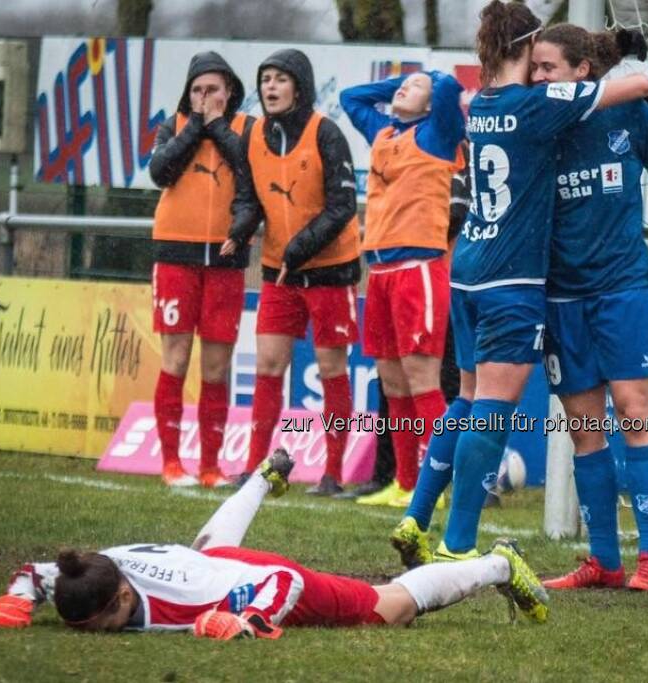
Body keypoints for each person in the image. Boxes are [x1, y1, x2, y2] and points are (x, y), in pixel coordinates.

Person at [390, 0, 648, 567]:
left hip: (467, 268)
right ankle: (458, 543)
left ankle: (416, 516)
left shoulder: (481, 104)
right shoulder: (537, 105)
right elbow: (635, 87)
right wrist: (632, 61)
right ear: (526, 47)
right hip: (510, 278)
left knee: (466, 400)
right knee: (493, 409)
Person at [528, 25, 648, 592]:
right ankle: (604, 560)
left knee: (636, 413)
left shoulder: (630, 115)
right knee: (585, 431)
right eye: (533, 67)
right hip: (561, 297)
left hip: (621, 288)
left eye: (547, 67)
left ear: (582, 71)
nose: (537, 76)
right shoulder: (538, 122)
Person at [0, 449, 549, 636]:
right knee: (207, 551)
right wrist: (18, 594)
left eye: (99, 627)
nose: (96, 636)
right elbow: (39, 572)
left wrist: (250, 621)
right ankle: (262, 477)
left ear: (124, 597)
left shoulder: (189, 594)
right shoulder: (89, 570)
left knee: (390, 607)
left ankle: (498, 564)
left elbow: (286, 580)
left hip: (256, 579)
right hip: (214, 562)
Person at [222, 49, 360, 492]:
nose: (270, 87)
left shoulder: (326, 133)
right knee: (267, 363)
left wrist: (298, 248)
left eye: (280, 79)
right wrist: (240, 229)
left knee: (330, 367)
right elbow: (247, 198)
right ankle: (253, 467)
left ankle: (333, 473)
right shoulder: (252, 136)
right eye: (265, 79)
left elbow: (343, 205)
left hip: (330, 270)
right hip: (279, 272)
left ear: (299, 87)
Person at [339, 69, 466, 504]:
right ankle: (406, 482)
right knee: (392, 384)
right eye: (401, 84)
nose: (403, 88)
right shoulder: (384, 131)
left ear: (430, 105)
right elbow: (351, 96)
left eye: (415, 87)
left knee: (423, 381)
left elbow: (449, 88)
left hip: (419, 269)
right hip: (379, 274)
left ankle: (436, 485)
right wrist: (404, 85)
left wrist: (430, 78)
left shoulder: (438, 134)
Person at [148, 51, 258, 489]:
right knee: (175, 359)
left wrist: (216, 126)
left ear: (229, 91)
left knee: (216, 366)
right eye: (196, 90)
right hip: (176, 255)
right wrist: (196, 124)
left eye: (212, 89)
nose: (203, 96)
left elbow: (251, 170)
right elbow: (160, 172)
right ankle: (171, 464)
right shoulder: (173, 126)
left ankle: (210, 467)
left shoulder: (247, 128)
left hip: (226, 260)